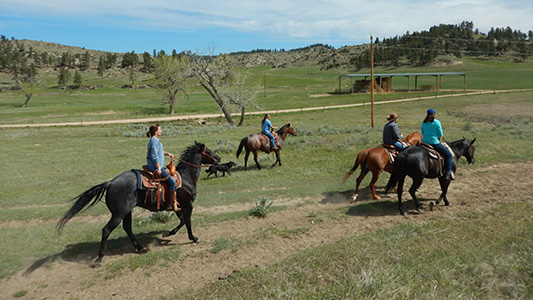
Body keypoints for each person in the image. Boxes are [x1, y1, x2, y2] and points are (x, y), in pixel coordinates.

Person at [146, 123, 178, 211]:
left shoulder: (154, 140)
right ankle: (169, 204)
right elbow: (154, 155)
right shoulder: (154, 141)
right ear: (156, 131)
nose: (161, 131)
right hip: (155, 167)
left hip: (157, 166)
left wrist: (167, 154)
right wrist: (159, 168)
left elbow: (158, 151)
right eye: (160, 129)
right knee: (172, 182)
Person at [421, 108, 454, 180]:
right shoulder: (436, 122)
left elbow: (423, 132)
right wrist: (439, 138)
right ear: (430, 115)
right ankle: (448, 173)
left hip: (424, 142)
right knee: (449, 155)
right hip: (434, 142)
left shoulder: (424, 122)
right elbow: (440, 133)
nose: (435, 115)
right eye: (433, 114)